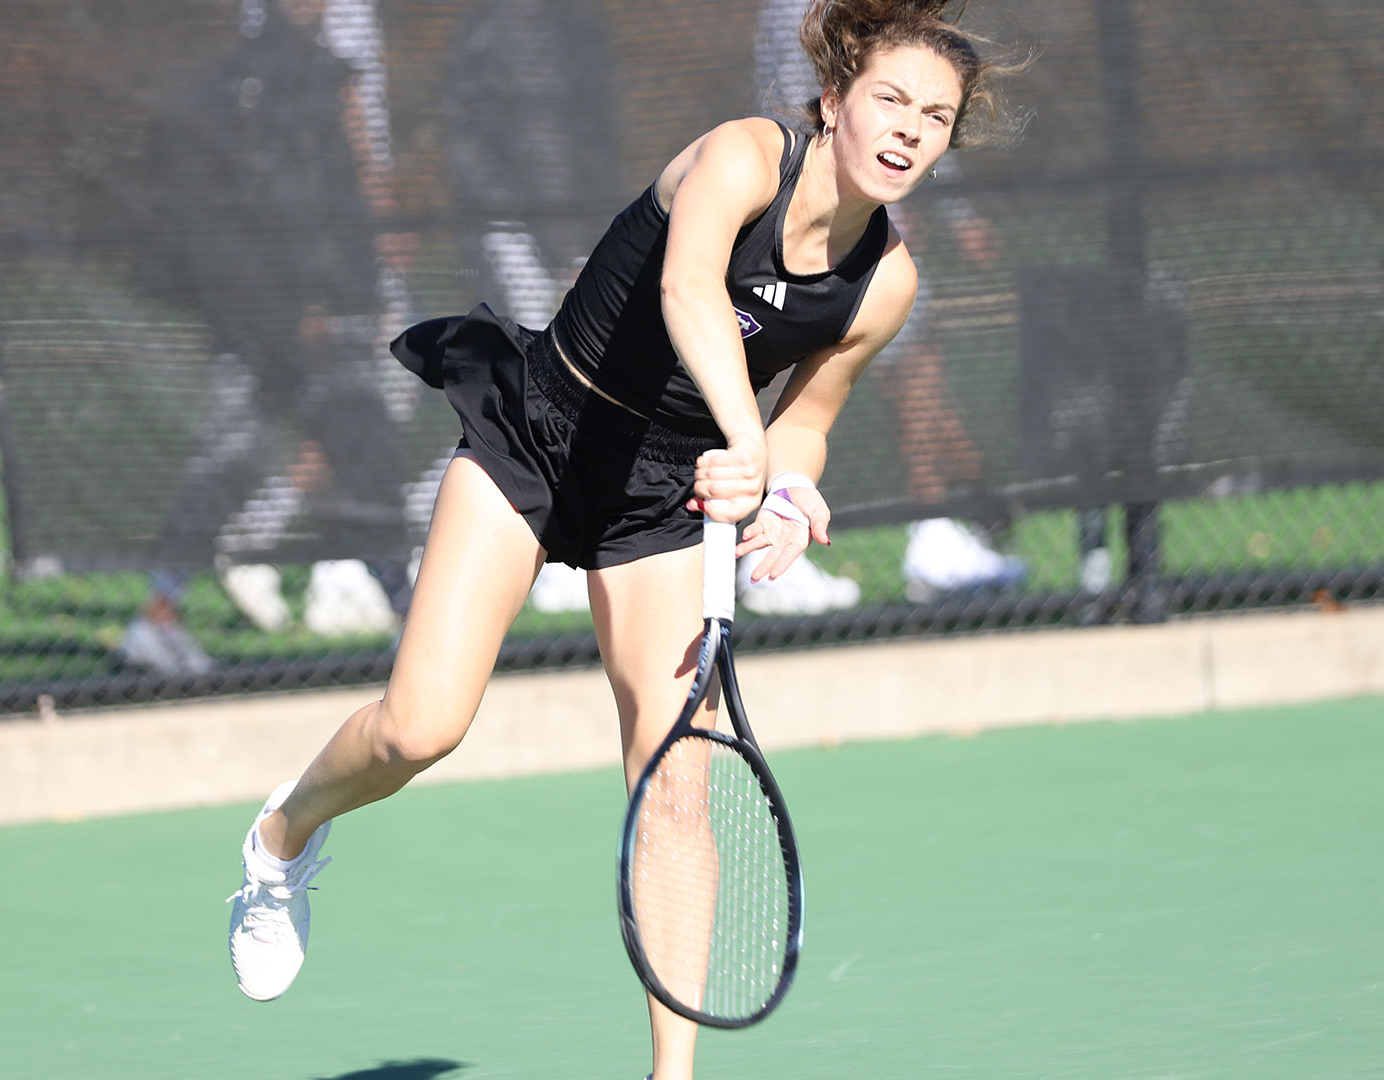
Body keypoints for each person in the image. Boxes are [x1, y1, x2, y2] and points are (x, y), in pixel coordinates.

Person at [223, 3, 1024, 1077]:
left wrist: (784, 494)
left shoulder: (884, 284)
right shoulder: (743, 157)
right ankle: (282, 840)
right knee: (420, 730)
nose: (910, 129)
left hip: (660, 508)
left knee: (677, 779)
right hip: (542, 439)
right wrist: (747, 437)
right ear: (835, 100)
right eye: (890, 99)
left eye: (936, 116)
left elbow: (810, 425)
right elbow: (689, 289)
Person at [118, 0, 415, 674]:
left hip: (304, 310)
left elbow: (341, 194)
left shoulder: (323, 75)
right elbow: (282, 204)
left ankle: (406, 616)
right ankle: (156, 618)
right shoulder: (254, 85)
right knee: (239, 458)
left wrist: (355, 289)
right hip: (274, 319)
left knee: (360, 450)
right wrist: (301, 305)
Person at [747, 0, 1026, 613]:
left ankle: (934, 528)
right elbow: (821, 117)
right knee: (752, 381)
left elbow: (917, 112)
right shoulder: (752, 160)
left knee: (917, 369)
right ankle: (755, 552)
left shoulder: (890, 271)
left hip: (870, 231)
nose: (911, 123)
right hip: (796, 218)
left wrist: (946, 213)